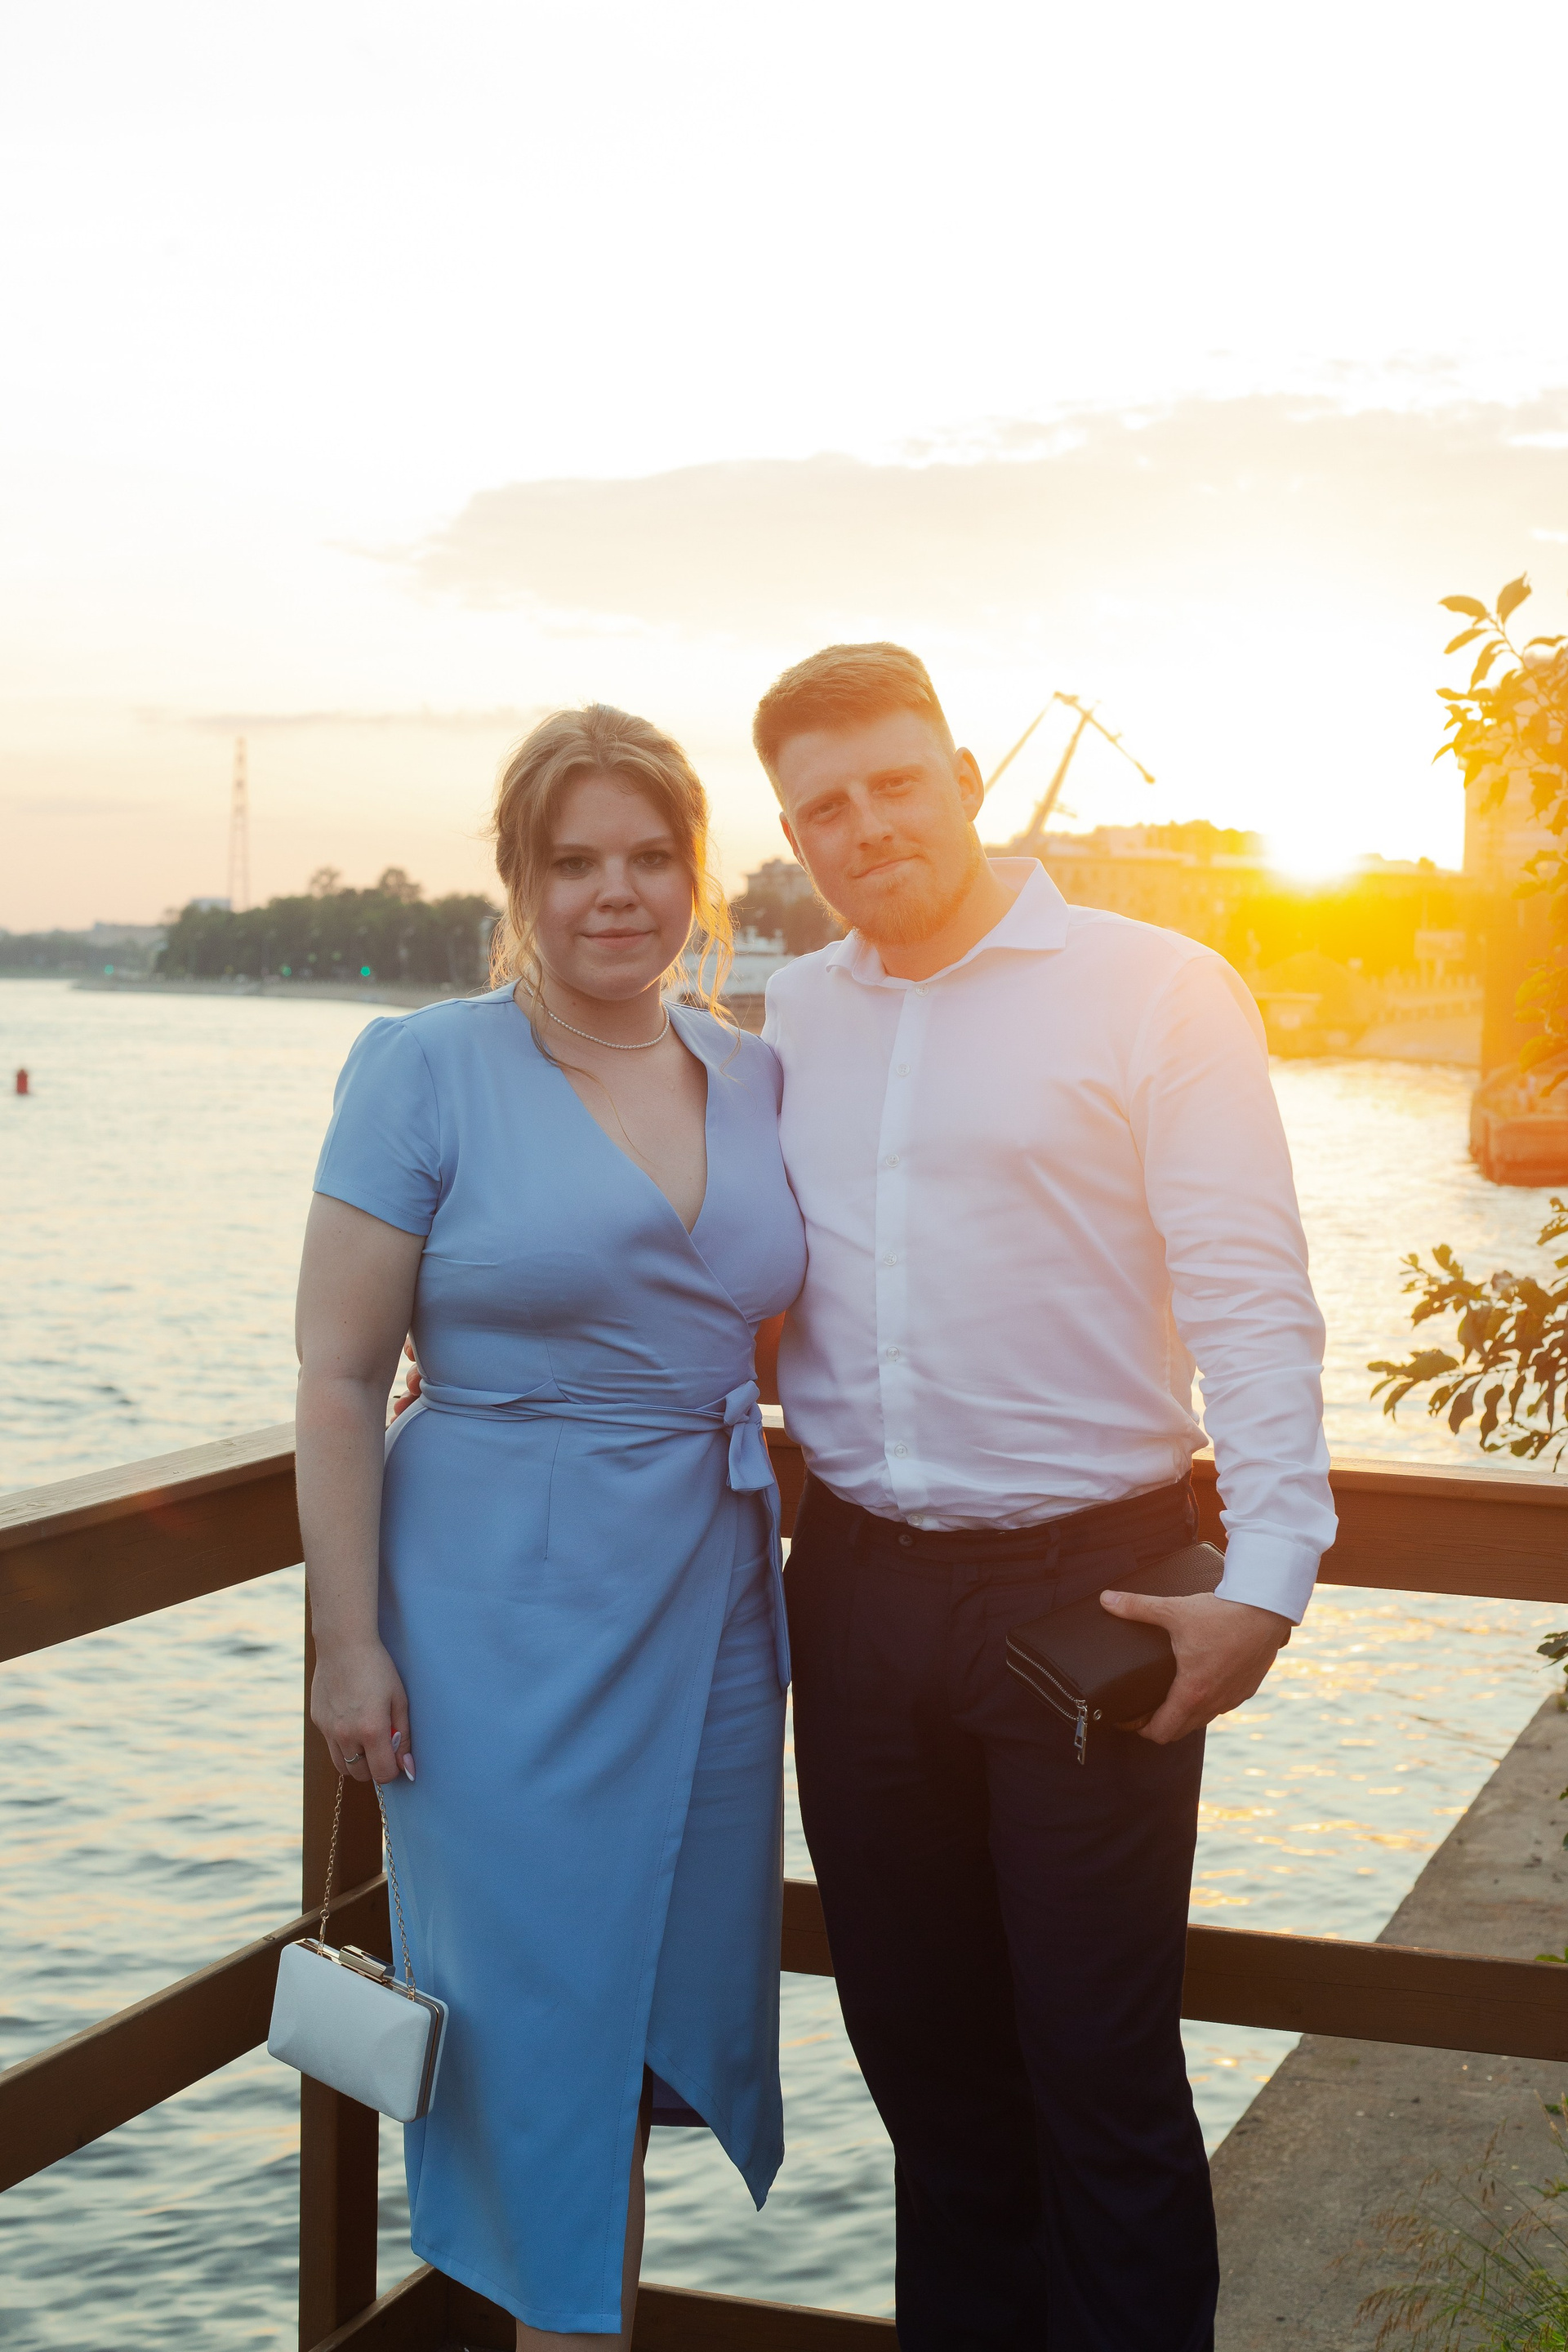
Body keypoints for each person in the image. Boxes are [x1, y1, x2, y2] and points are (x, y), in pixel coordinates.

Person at [752, 644, 1336, 2352]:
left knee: (1100, 2075)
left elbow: (1250, 1293)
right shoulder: (792, 1014)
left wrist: (1270, 1577)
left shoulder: (1158, 988)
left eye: (896, 782)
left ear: (965, 778)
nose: (868, 827)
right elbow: (722, 1266)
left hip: (1091, 1595)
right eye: (824, 807)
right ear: (793, 834)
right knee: (927, 2078)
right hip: (852, 1592)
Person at [293, 705, 806, 2350]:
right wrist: (349, 1643)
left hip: (711, 1607)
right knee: (531, 2027)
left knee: (645, 2023)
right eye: (575, 861)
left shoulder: (753, 1071)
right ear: (519, 878)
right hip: (494, 1620)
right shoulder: (426, 1065)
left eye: (651, 857)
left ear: (695, 874)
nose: (616, 893)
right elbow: (338, 1374)